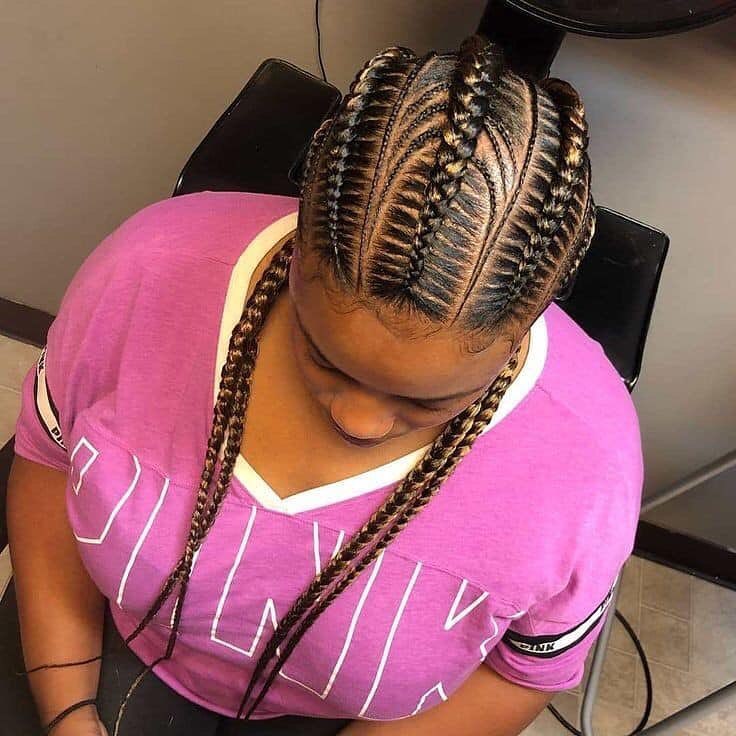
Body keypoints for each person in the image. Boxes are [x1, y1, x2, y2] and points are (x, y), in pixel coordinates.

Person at [4, 34, 644, 736]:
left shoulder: (588, 467)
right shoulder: (145, 273)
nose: (360, 421)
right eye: (324, 358)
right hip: (102, 640)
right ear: (298, 245)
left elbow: (521, 673)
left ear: (529, 319)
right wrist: (67, 713)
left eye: (429, 401)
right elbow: (46, 460)